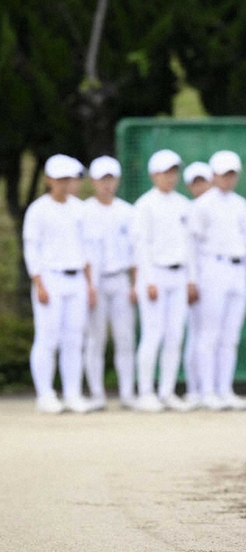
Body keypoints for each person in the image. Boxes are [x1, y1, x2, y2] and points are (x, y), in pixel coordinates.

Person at [23, 154, 96, 414]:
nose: (66, 184)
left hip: (76, 279)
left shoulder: (79, 208)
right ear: (49, 180)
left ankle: (73, 393)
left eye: (69, 179)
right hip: (50, 279)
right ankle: (45, 394)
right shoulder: (38, 210)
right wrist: (39, 282)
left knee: (74, 339)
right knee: (48, 338)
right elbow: (32, 249)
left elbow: (86, 249)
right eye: (61, 179)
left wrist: (90, 285)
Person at [131, 149, 194, 412]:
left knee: (174, 335)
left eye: (173, 172)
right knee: (153, 334)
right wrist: (147, 280)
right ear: (153, 175)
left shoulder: (183, 204)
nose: (170, 177)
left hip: (179, 275)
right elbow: (141, 246)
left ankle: (167, 390)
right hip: (155, 274)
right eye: (165, 172)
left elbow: (189, 245)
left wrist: (192, 279)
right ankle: (145, 392)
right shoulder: (144, 205)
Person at [189, 150, 246, 410]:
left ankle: (224, 388)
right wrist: (193, 279)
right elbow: (192, 244)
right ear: (213, 175)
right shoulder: (202, 205)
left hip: (237, 269)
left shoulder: (241, 204)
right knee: (210, 333)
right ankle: (207, 390)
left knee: (231, 335)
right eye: (223, 174)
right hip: (212, 268)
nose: (228, 179)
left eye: (232, 174)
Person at [82, 155, 137, 410]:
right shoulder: (84, 212)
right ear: (93, 181)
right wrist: (88, 285)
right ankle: (96, 394)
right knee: (96, 339)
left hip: (120, 279)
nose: (107, 184)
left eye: (111, 179)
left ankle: (127, 392)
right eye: (102, 179)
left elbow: (135, 252)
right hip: (95, 282)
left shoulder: (127, 211)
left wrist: (135, 284)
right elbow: (82, 253)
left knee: (125, 338)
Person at [180, 161, 213, 407]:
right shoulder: (195, 209)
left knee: (210, 336)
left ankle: (211, 388)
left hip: (211, 275)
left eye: (203, 180)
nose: (200, 186)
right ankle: (195, 388)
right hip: (198, 277)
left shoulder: (210, 206)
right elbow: (191, 250)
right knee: (198, 335)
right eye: (195, 182)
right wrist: (192, 280)